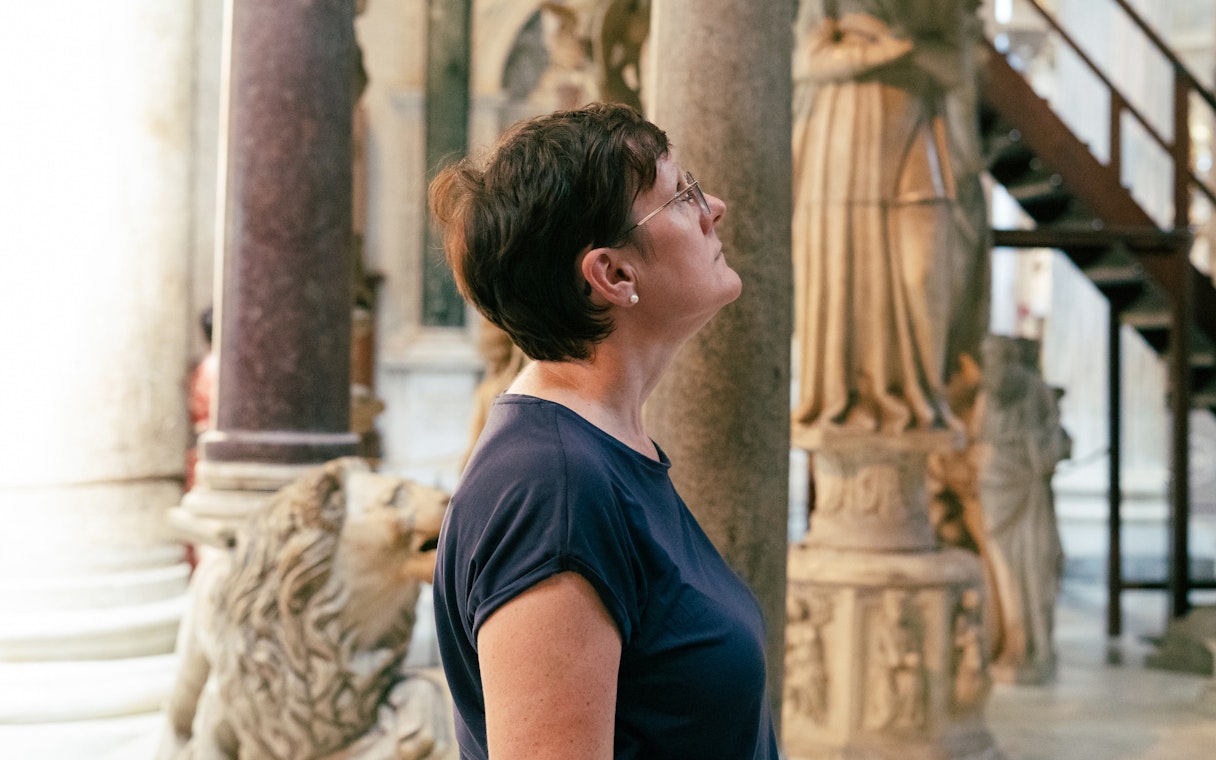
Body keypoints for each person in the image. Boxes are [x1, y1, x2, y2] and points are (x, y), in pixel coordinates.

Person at [429, 102, 780, 759]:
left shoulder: (601, 451)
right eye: (682, 196)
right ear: (612, 274)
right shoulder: (551, 489)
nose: (717, 207)